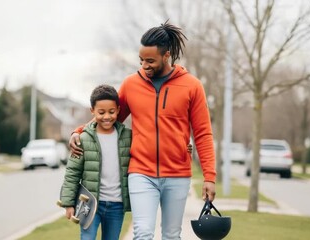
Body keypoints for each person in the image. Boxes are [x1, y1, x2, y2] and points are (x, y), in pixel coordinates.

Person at [70, 20, 216, 240]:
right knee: (143, 232)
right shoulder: (131, 85)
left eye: (150, 61)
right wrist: (79, 130)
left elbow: (203, 133)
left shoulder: (192, 86)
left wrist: (209, 177)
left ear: (166, 56)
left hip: (177, 174)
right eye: (141, 60)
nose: (144, 66)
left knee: (171, 234)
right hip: (141, 172)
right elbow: (110, 117)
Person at [60, 84, 132, 240]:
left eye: (111, 112)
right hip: (89, 203)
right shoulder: (83, 138)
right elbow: (72, 173)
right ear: (92, 111)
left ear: (118, 110)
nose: (107, 116)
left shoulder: (128, 137)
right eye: (101, 112)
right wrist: (68, 203)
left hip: (117, 205)